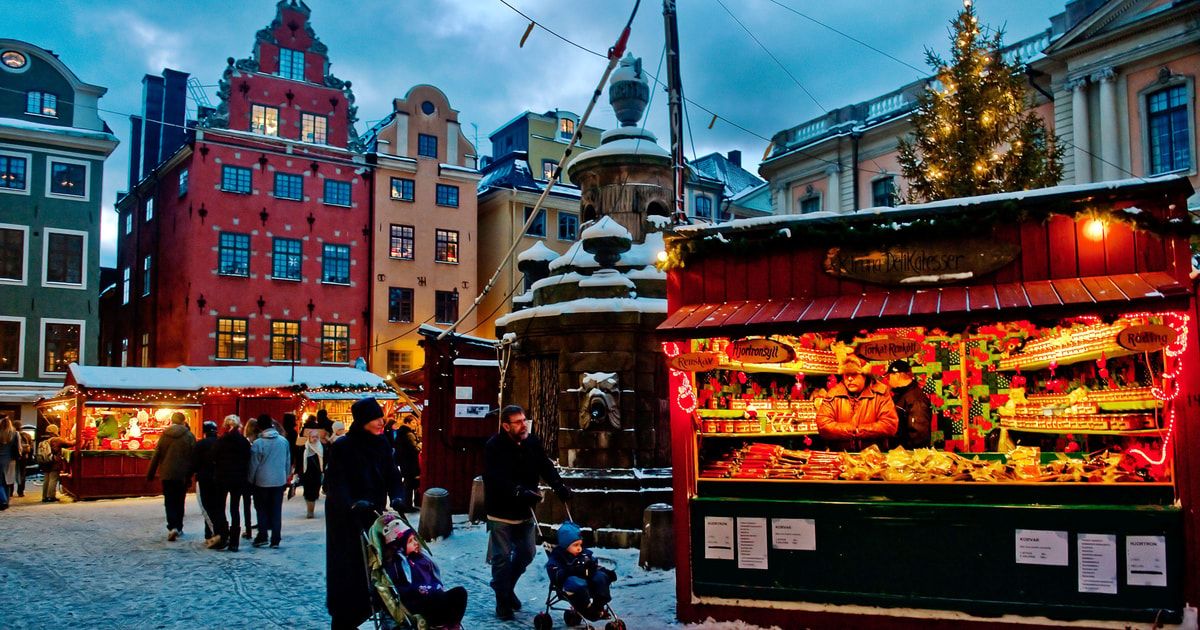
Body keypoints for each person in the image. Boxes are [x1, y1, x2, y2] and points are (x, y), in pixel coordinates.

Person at [324, 397, 408, 630]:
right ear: (363, 421)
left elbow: (392, 475)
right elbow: (336, 483)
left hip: (374, 516)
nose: (382, 422)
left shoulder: (382, 444)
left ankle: (380, 607)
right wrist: (351, 503)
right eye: (376, 418)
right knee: (350, 570)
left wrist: (399, 496)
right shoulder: (343, 446)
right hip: (347, 521)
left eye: (381, 417)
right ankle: (346, 617)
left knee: (380, 565)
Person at [483, 404, 573, 620]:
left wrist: (558, 485)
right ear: (506, 426)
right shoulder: (494, 446)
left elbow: (545, 465)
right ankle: (502, 600)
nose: (524, 425)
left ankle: (506, 587)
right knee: (502, 557)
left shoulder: (532, 442)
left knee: (526, 553)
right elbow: (494, 478)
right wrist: (517, 491)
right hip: (500, 511)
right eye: (518, 422)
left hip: (525, 510)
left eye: (525, 420)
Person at [379, 516, 467, 629]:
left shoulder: (421, 558)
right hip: (416, 603)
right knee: (437, 598)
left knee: (460, 592)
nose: (416, 543)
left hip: (433, 597)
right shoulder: (396, 565)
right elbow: (398, 589)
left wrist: (434, 588)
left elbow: (432, 576)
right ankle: (441, 624)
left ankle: (452, 625)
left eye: (415, 539)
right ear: (399, 546)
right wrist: (420, 590)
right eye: (411, 541)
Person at [815, 356, 900, 451]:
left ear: (865, 375)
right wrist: (854, 430)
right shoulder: (834, 395)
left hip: (874, 459)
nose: (850, 379)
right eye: (846, 375)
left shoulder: (880, 393)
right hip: (842, 458)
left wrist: (858, 430)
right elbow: (823, 425)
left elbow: (889, 425)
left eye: (854, 374)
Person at [546, 522, 617, 621]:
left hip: (589, 581)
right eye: (575, 545)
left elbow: (593, 566)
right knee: (577, 583)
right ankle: (587, 610)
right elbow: (554, 573)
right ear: (565, 546)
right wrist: (572, 569)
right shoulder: (558, 558)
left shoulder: (584, 554)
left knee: (601, 577)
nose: (579, 548)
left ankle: (598, 606)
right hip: (570, 586)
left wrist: (605, 571)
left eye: (580, 544)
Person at [146, 412, 196, 540]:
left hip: (167, 473)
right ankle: (178, 527)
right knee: (180, 500)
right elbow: (193, 456)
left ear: (172, 421)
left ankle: (172, 526)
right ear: (183, 421)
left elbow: (157, 454)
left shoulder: (165, 435)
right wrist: (192, 473)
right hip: (182, 474)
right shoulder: (189, 435)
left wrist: (150, 473)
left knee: (169, 501)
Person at [247, 414, 290, 548]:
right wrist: (285, 476)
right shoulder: (283, 441)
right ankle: (276, 538)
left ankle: (263, 535)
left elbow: (253, 464)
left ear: (259, 426)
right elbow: (287, 461)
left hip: (262, 481)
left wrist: (250, 479)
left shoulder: (258, 443)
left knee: (262, 509)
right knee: (276, 510)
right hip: (279, 480)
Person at [212, 414, 251, 551]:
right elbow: (248, 458)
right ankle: (234, 541)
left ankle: (223, 535)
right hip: (238, 478)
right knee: (235, 509)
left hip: (222, 477)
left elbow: (214, 457)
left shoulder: (221, 441)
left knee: (220, 507)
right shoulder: (243, 442)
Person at [886, 360, 933, 449]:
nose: (888, 381)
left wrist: (910, 458)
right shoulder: (902, 395)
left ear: (897, 375)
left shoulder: (916, 399)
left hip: (908, 457)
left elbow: (919, 436)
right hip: (900, 456)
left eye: (889, 377)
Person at [192, 421, 224, 547]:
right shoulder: (222, 443)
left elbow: (194, 463)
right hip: (220, 478)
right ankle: (215, 532)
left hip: (204, 478)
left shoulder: (200, 444)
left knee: (206, 506)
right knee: (218, 506)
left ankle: (216, 533)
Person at [40, 424, 75, 502]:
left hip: (46, 462)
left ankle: (44, 496)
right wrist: (78, 439)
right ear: (55, 431)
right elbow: (69, 444)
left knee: (46, 479)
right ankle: (51, 496)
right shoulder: (57, 439)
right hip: (54, 462)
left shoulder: (45, 440)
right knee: (53, 479)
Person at [394, 414, 422, 512]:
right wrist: (420, 445)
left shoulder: (400, 433)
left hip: (404, 462)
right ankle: (408, 506)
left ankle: (407, 505)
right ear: (407, 423)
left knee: (408, 483)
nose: (415, 425)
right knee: (410, 484)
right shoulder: (408, 434)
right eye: (413, 423)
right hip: (410, 462)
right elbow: (414, 449)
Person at [240, 416, 261, 540]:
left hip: (250, 477)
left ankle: (248, 529)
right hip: (262, 477)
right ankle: (261, 523)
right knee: (259, 504)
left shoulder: (251, 443)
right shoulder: (260, 441)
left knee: (248, 504)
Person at [298, 428, 324, 519]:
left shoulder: (322, 448)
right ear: (309, 437)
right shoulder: (304, 448)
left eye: (317, 437)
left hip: (317, 474)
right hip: (307, 474)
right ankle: (310, 511)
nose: (315, 439)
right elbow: (299, 461)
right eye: (313, 437)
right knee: (308, 493)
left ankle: (311, 510)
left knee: (314, 493)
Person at [0, 417, 17, 504]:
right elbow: (17, 447)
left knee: (1, 481)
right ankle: (5, 500)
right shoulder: (14, 433)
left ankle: (2, 500)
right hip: (10, 460)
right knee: (8, 481)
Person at [15, 425, 32, 497]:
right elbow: (31, 447)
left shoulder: (12, 434)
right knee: (22, 473)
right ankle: (20, 491)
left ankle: (10, 492)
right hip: (24, 457)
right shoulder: (27, 435)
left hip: (14, 456)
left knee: (11, 473)